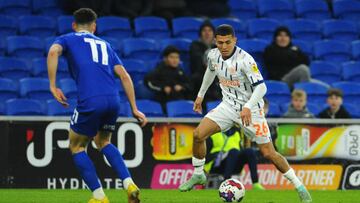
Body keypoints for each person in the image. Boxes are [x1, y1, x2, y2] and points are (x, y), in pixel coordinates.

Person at [178, 24, 312, 203]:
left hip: (252, 111)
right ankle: (198, 174)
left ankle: (300, 187)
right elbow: (210, 72)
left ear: (234, 40)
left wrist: (248, 106)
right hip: (227, 107)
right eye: (220, 43)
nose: (224, 46)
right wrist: (200, 96)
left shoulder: (246, 60)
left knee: (268, 153)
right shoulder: (213, 55)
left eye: (227, 42)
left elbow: (262, 87)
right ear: (215, 42)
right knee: (198, 135)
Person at [47, 8, 147, 203]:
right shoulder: (106, 44)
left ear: (74, 25)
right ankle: (129, 184)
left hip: (91, 100)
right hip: (113, 100)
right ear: (94, 26)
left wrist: (52, 86)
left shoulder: (68, 38)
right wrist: (134, 108)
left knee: (77, 146)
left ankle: (99, 196)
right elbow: (125, 76)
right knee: (103, 142)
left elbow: (52, 52)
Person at [190, 20, 221, 102]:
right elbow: (199, 61)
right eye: (204, 30)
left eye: (210, 31)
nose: (207, 33)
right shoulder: (195, 45)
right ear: (200, 33)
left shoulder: (218, 47)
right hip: (200, 76)